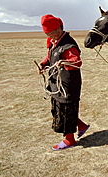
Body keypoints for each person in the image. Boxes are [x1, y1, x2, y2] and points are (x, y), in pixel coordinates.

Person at [37, 14, 89, 151]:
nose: (48, 35)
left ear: (58, 29)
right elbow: (49, 57)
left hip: (68, 84)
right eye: (46, 33)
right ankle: (82, 126)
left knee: (66, 111)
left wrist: (64, 62)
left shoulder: (68, 45)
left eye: (50, 32)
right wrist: (43, 64)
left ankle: (69, 140)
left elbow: (77, 62)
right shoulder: (54, 42)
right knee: (60, 110)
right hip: (57, 83)